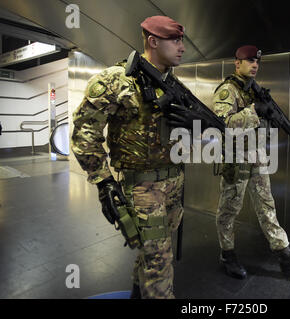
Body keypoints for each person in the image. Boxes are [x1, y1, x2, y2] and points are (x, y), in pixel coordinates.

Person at [72, 16, 192, 299]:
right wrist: (104, 182)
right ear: (153, 41)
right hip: (143, 189)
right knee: (160, 264)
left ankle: (139, 294)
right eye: (175, 41)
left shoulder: (172, 84)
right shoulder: (115, 80)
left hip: (174, 182)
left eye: (182, 40)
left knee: (154, 256)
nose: (182, 48)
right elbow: (84, 132)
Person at [211, 45, 290, 279]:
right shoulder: (228, 90)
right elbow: (222, 124)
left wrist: (266, 115)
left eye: (257, 62)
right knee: (229, 210)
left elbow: (258, 124)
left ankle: (283, 252)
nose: (255, 65)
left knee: (266, 205)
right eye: (249, 61)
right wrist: (254, 110)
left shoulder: (254, 90)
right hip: (235, 158)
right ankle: (227, 253)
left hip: (257, 156)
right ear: (237, 64)